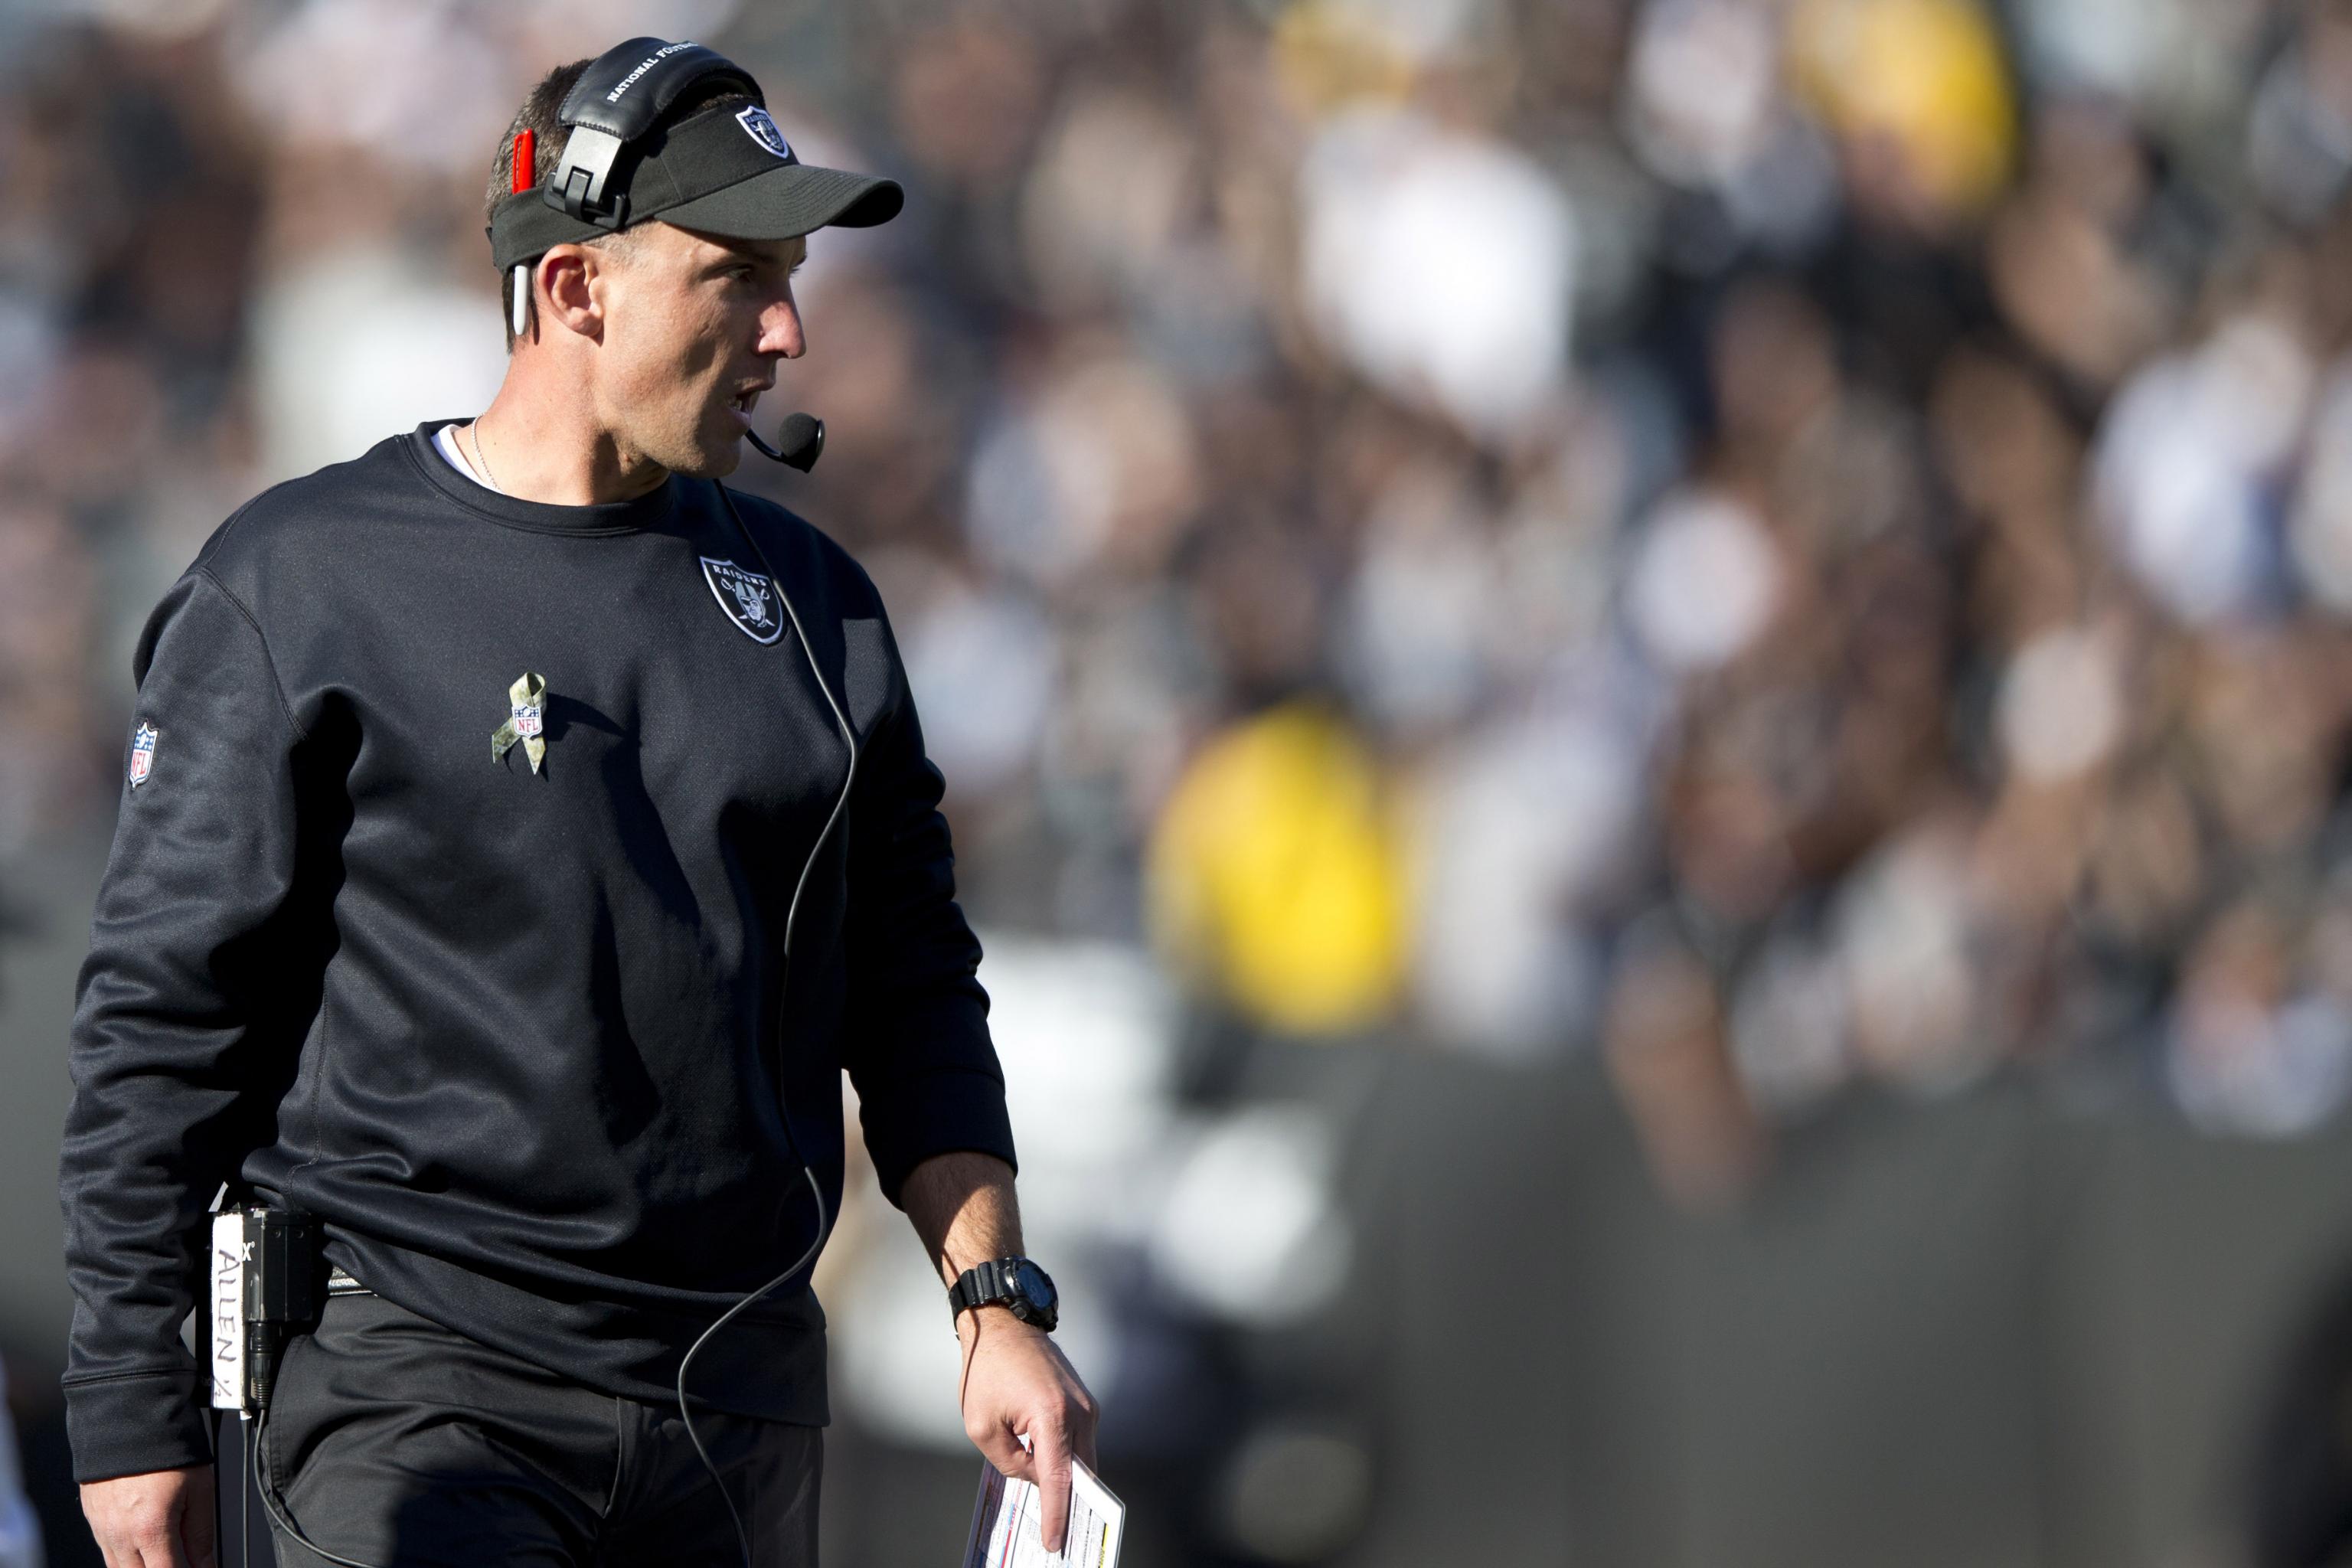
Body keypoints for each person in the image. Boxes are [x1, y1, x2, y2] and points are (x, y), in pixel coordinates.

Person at [58, 39, 1095, 1568]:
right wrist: (131, 1408)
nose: (789, 330)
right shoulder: (302, 585)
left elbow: (918, 995)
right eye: (739, 276)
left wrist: (994, 1302)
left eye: (790, 275)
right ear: (573, 290)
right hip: (412, 1399)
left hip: (735, 1417)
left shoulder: (821, 610)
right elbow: (162, 1024)